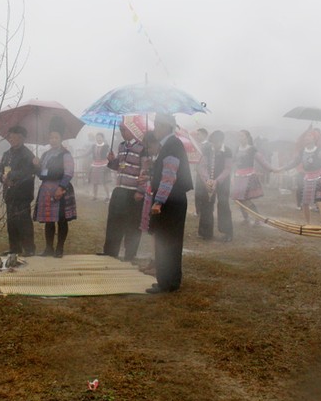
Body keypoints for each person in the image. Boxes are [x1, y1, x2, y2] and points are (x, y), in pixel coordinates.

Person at [146, 113, 193, 294]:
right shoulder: (169, 145)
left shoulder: (172, 145)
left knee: (167, 241)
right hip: (173, 199)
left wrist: (158, 201)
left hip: (170, 201)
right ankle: (169, 280)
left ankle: (167, 282)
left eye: (157, 125)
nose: (155, 128)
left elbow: (169, 176)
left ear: (166, 126)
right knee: (169, 241)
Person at [99, 123, 147, 261]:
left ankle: (130, 254)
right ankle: (110, 252)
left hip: (133, 192)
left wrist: (141, 190)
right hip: (119, 190)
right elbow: (119, 167)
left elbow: (145, 170)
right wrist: (112, 161)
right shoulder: (121, 146)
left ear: (132, 130)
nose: (122, 132)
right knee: (114, 222)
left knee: (132, 224)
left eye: (124, 130)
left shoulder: (142, 148)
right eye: (120, 130)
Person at [33, 118, 77, 258]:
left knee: (61, 220)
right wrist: (37, 166)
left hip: (60, 189)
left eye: (56, 137)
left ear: (61, 138)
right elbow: (41, 174)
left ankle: (59, 248)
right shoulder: (45, 154)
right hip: (46, 189)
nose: (53, 140)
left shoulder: (65, 154)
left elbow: (69, 172)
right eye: (51, 137)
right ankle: (48, 248)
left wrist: (61, 188)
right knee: (49, 220)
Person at [278, 129, 321, 225]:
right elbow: (294, 163)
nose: (307, 138)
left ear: (315, 138)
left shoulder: (318, 151)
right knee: (305, 203)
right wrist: (282, 168)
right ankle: (308, 224)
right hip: (307, 178)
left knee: (319, 201)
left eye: (310, 136)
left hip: (319, 177)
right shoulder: (302, 152)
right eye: (306, 136)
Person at [0, 125, 37, 257]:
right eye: (10, 137)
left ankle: (29, 248)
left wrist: (11, 176)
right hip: (9, 193)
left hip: (23, 193)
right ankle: (14, 248)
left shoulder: (28, 155)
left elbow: (28, 172)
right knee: (11, 222)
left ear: (21, 138)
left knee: (23, 221)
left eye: (13, 137)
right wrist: (1, 177)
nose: (11, 139)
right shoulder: (7, 154)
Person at [231, 130, 274, 224]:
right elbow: (233, 161)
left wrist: (272, 169)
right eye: (239, 136)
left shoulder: (251, 149)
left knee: (245, 198)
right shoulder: (237, 148)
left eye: (242, 136)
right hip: (238, 175)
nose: (240, 138)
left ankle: (257, 217)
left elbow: (262, 160)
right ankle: (246, 218)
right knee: (239, 198)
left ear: (247, 137)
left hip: (248, 175)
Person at [198, 130, 233, 241]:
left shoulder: (227, 151)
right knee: (206, 205)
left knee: (223, 204)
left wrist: (217, 181)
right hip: (208, 180)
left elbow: (227, 169)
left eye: (216, 143)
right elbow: (202, 166)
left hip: (222, 182)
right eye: (213, 143)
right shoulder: (207, 149)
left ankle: (227, 232)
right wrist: (207, 180)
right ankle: (206, 232)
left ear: (221, 141)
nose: (214, 145)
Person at [89, 132, 110, 200]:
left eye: (100, 137)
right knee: (95, 182)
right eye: (97, 137)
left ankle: (108, 196)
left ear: (103, 138)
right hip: (95, 165)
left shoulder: (106, 146)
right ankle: (95, 196)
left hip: (104, 164)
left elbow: (110, 154)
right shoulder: (93, 146)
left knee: (104, 181)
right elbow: (87, 152)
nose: (98, 139)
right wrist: (77, 156)